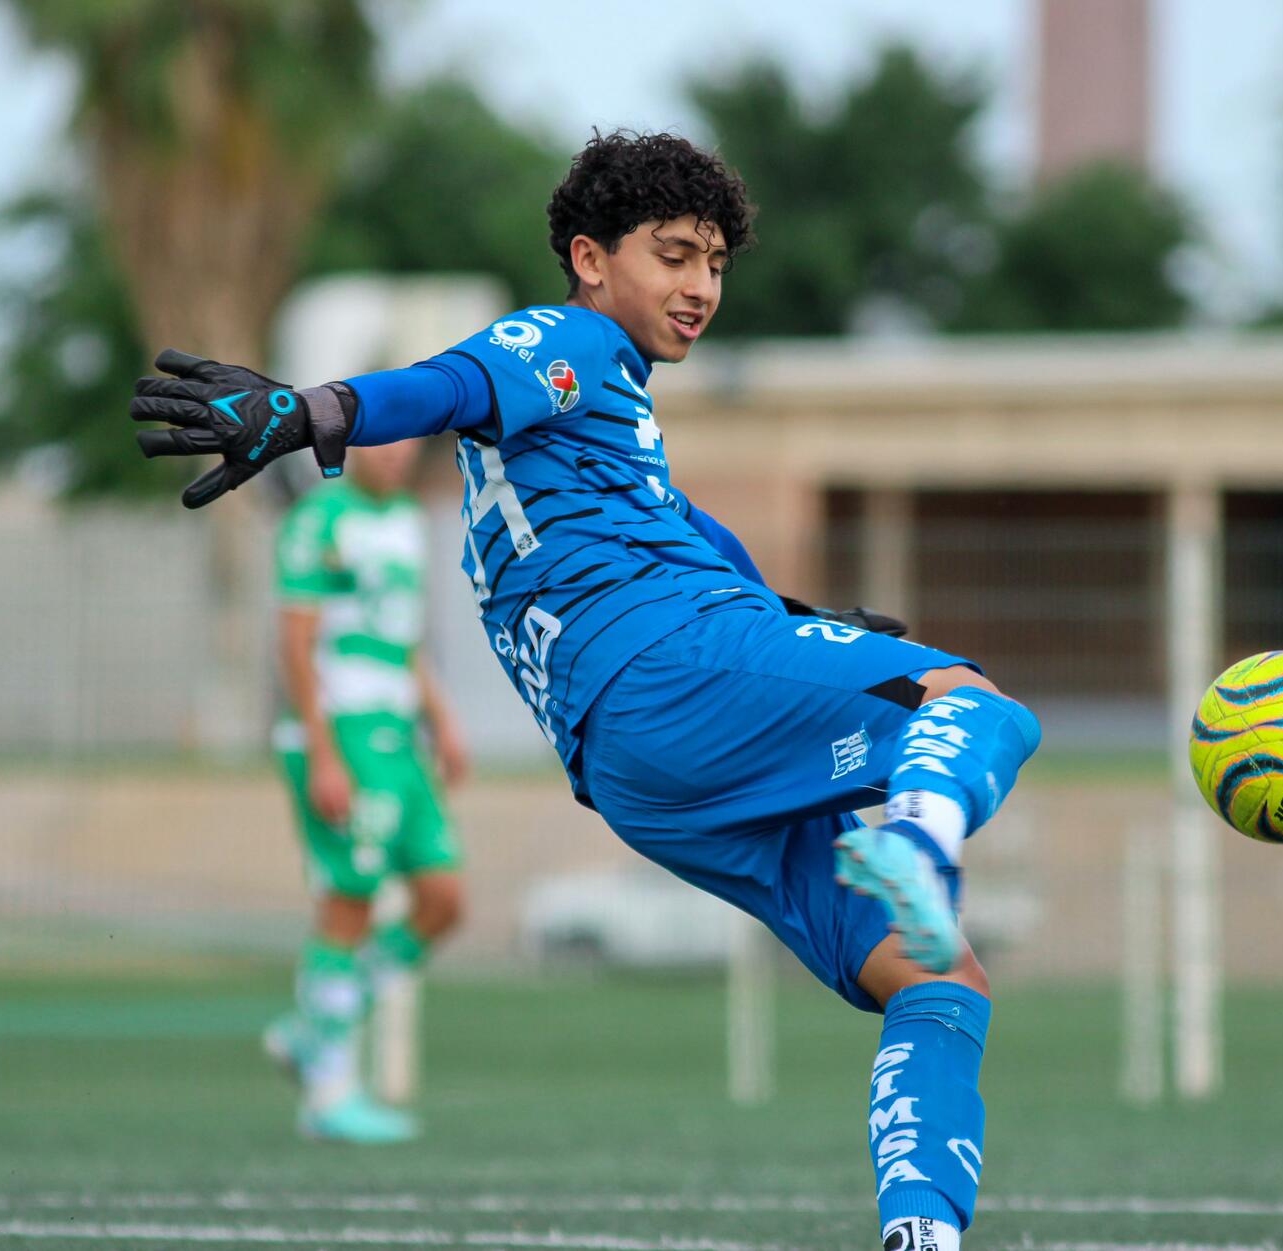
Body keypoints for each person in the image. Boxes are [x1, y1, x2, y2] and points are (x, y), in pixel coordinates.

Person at [130, 131, 1039, 1249]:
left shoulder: (612, 442)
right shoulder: (569, 340)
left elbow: (699, 555)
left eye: (715, 262)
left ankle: (925, 1237)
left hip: (636, 772)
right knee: (979, 707)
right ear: (591, 257)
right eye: (674, 255)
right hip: (665, 675)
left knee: (938, 978)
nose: (702, 286)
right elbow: (453, 381)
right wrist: (306, 413)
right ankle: (921, 838)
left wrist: (812, 624)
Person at [262, 439, 471, 1144]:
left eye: (406, 442)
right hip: (342, 733)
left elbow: (403, 636)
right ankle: (327, 1093)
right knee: (348, 905)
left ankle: (315, 1024)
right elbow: (295, 644)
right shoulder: (319, 521)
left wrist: (441, 719)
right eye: (382, 441)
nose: (395, 455)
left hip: (398, 738)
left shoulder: (409, 520)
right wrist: (323, 753)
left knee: (444, 900)